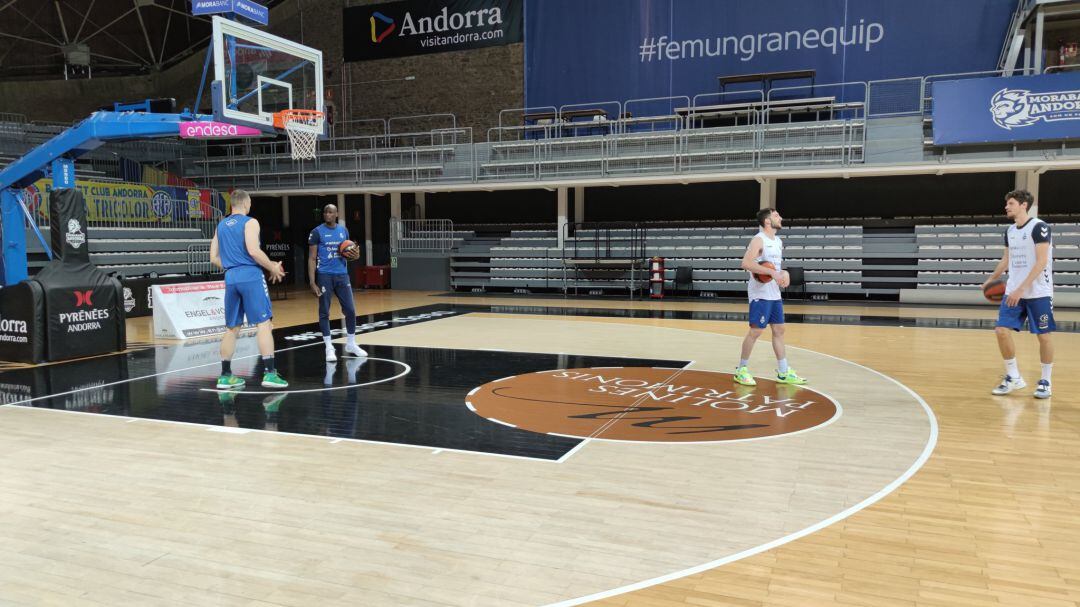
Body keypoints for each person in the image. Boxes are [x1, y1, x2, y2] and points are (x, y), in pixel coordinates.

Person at [210, 190, 288, 389]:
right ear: (245, 203)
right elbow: (253, 250)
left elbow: (213, 258)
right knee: (264, 323)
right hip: (250, 275)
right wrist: (272, 266)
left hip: (230, 276)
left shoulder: (220, 225)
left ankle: (225, 376)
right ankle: (270, 373)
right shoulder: (250, 222)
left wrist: (231, 266)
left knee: (232, 327)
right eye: (250, 203)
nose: (251, 206)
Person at [983, 189, 1054, 399]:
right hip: (1014, 291)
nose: (1006, 206)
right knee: (1001, 331)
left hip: (1038, 291)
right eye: (1007, 203)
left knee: (1044, 336)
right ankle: (1014, 377)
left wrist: (1023, 288)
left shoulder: (1039, 227)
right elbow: (1006, 260)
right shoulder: (1009, 231)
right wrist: (991, 279)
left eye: (1011, 203)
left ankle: (1046, 381)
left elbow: (1042, 261)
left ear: (1024, 205)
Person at [734, 208, 807, 387]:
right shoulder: (759, 239)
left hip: (774, 293)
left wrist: (784, 273)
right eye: (776, 216)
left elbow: (775, 268)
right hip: (760, 293)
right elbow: (746, 263)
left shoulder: (778, 241)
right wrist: (771, 273)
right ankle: (741, 370)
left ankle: (783, 372)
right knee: (756, 331)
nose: (780, 217)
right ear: (767, 221)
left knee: (779, 330)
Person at [308, 203, 367, 362]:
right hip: (324, 276)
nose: (327, 214)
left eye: (331, 212)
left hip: (342, 275)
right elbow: (312, 258)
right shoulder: (316, 232)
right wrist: (312, 283)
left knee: (350, 310)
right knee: (324, 312)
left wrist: (354, 255)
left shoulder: (343, 230)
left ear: (336, 214)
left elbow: (348, 251)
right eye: (325, 212)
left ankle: (351, 343)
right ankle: (329, 347)